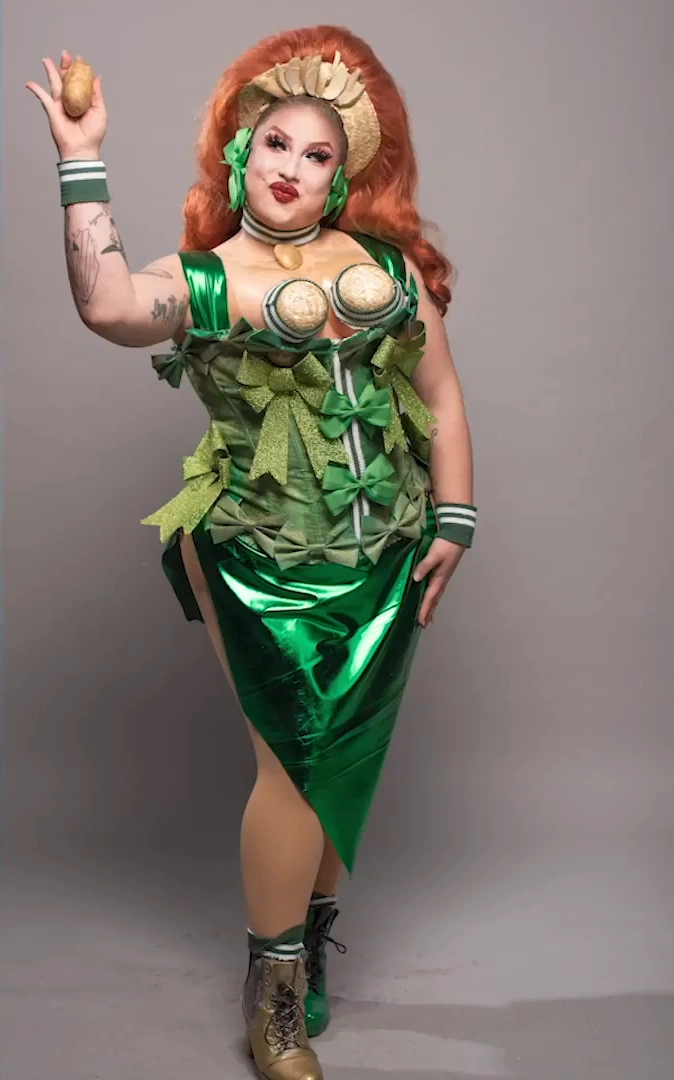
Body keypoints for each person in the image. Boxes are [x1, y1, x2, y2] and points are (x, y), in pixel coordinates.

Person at [28, 24, 476, 1080]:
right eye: (275, 143)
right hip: (256, 561)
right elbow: (107, 306)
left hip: (385, 556)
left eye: (317, 155)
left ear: (341, 175)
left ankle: (307, 942)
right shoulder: (210, 279)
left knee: (343, 762)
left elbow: (441, 394)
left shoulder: (384, 270)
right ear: (240, 150)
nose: (290, 168)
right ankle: (271, 1000)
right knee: (291, 764)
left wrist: (453, 518)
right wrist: (81, 159)